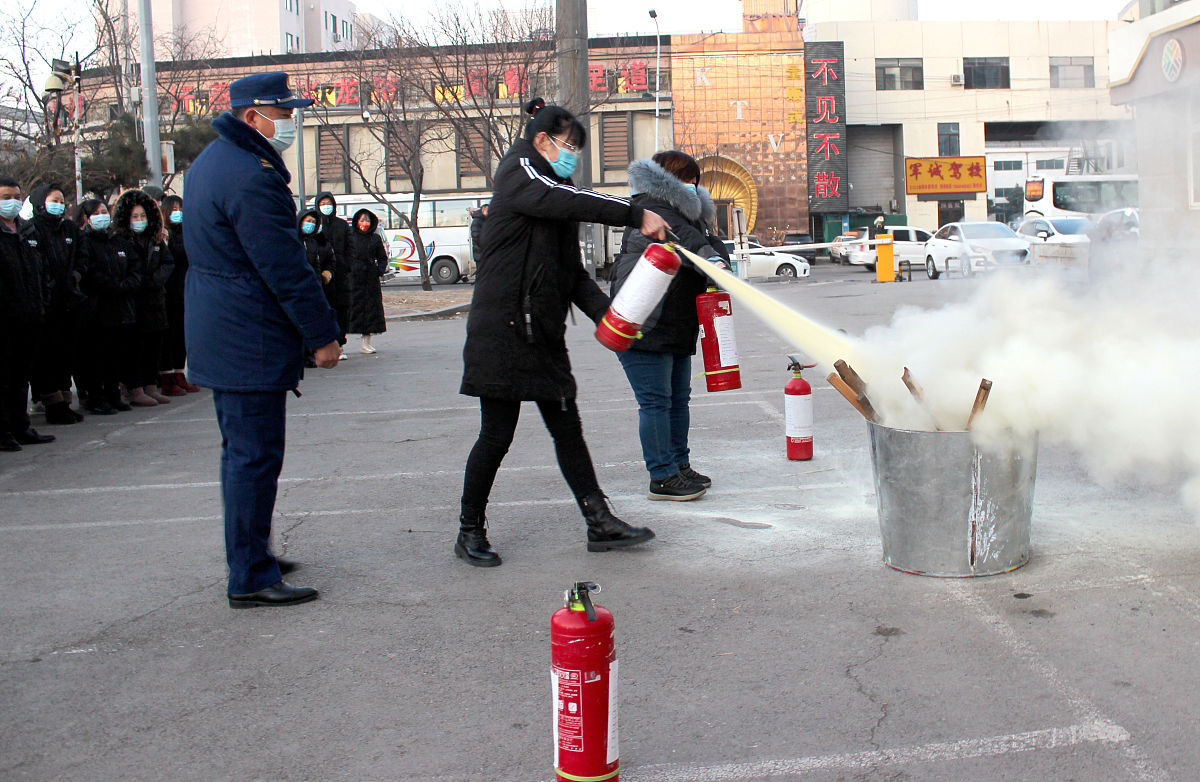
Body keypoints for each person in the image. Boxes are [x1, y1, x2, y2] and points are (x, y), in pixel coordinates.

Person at [455, 97, 670, 567]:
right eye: (566, 143)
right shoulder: (519, 174)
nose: (571, 152)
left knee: (567, 429)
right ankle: (470, 529)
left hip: (543, 334)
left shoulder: (554, 190)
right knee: (497, 434)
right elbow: (566, 199)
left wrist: (612, 317)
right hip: (503, 332)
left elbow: (572, 274)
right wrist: (635, 212)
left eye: (576, 146)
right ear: (540, 140)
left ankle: (599, 521)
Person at [184, 71, 342, 608]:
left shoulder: (211, 163)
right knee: (253, 457)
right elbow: (284, 267)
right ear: (253, 116)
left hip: (224, 329)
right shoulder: (250, 175)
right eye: (285, 112)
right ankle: (251, 574)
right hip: (244, 334)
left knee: (243, 455)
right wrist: (322, 335)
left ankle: (254, 552)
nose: (292, 122)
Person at [613, 151, 730, 501]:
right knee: (655, 402)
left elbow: (705, 242)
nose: (692, 187)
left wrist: (716, 251)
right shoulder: (652, 210)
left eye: (695, 181)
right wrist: (710, 256)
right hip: (646, 323)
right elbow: (684, 242)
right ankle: (661, 475)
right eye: (684, 179)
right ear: (663, 181)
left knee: (679, 399)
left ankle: (679, 465)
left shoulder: (689, 217)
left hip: (676, 322)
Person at [25, 183, 87, 425]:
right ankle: (51, 402)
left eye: (62, 201)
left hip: (69, 300)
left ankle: (64, 398)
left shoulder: (69, 228)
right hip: (46, 302)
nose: (59, 205)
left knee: (65, 352)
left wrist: (75, 276)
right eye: (54, 200)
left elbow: (82, 256)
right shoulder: (33, 230)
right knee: (47, 354)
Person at [0, 175, 54, 451]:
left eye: (15, 196)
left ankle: (21, 426)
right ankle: (4, 430)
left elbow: (39, 271)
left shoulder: (26, 231)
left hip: (30, 315)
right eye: (5, 197)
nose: (11, 202)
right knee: (5, 377)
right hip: (6, 319)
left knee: (21, 376)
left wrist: (40, 303)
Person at [113, 189, 174, 407]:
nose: (139, 221)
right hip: (133, 302)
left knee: (153, 345)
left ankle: (150, 385)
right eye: (135, 217)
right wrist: (138, 281)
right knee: (135, 348)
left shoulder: (155, 239)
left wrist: (156, 279)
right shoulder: (121, 241)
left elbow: (168, 263)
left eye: (143, 216)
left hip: (155, 300)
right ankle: (134, 388)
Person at [76, 199, 138, 415]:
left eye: (105, 211)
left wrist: (128, 283)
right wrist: (112, 285)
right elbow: (89, 271)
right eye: (97, 212)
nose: (102, 215)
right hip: (96, 308)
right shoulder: (84, 241)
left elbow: (134, 265)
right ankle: (95, 397)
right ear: (86, 218)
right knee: (97, 356)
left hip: (120, 307)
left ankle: (113, 394)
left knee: (116, 354)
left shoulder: (118, 240)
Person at [159, 195, 200, 395]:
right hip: (169, 290)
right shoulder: (163, 235)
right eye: (173, 209)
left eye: (180, 209)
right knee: (171, 333)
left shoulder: (187, 232)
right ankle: (167, 376)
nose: (178, 213)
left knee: (182, 335)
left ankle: (179, 372)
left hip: (186, 289)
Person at [313, 191, 351, 356]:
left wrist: (346, 267)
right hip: (320, 275)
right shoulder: (316, 225)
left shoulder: (342, 225)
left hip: (340, 276)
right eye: (322, 204)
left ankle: (339, 344)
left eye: (328, 203)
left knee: (340, 310)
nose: (325, 207)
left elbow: (351, 249)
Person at [347, 208, 388, 354]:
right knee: (349, 310)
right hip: (353, 279)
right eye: (362, 220)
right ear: (356, 221)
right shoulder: (350, 236)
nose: (364, 223)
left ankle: (366, 343)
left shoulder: (375, 238)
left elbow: (382, 258)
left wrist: (378, 270)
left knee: (370, 311)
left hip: (370, 280)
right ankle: (340, 345)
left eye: (367, 220)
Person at [299, 208, 335, 368]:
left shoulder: (312, 242)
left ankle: (309, 354)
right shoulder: (293, 240)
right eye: (308, 221)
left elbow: (317, 264)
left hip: (312, 285)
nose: (310, 225)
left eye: (313, 222)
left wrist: (319, 281)